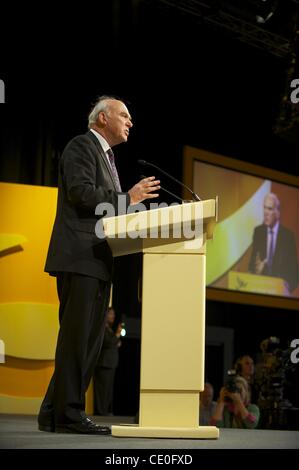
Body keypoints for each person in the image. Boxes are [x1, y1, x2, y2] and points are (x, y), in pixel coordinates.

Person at [37, 95, 160, 435]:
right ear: (102, 118)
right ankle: (70, 415)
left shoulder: (108, 158)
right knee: (78, 339)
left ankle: (52, 411)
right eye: (124, 115)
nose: (130, 122)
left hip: (98, 259)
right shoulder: (82, 146)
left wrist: (131, 213)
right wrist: (129, 199)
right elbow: (80, 193)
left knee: (86, 341)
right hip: (80, 256)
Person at [248, 192, 299, 292]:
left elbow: (294, 274)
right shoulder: (258, 232)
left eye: (270, 209)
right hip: (260, 290)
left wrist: (286, 286)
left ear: (277, 212)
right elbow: (252, 266)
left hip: (280, 294)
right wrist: (256, 271)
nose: (265, 212)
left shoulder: (288, 237)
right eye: (264, 208)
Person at [93, 307, 122, 416]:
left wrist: (116, 341)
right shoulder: (102, 328)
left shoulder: (108, 329)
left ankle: (105, 410)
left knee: (108, 389)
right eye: (110, 314)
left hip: (110, 363)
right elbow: (107, 343)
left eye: (113, 314)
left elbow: (112, 342)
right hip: (104, 363)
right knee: (102, 389)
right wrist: (117, 335)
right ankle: (101, 411)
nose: (113, 316)